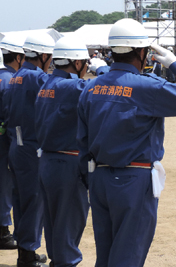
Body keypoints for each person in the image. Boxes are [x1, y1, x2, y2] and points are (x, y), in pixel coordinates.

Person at [77, 18, 176, 266]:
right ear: (142, 53)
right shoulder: (146, 87)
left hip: (99, 179)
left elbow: (82, 140)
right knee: (128, 255)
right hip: (133, 181)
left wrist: (89, 178)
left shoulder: (91, 88)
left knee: (106, 254)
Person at [34, 36, 108, 267]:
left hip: (47, 160)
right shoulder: (73, 86)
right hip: (67, 163)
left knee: (53, 220)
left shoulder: (45, 83)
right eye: (85, 64)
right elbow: (107, 85)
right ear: (77, 64)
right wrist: (103, 68)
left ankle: (58, 261)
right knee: (69, 221)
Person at [3, 33, 55, 266]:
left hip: (17, 143)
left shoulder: (16, 76)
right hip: (32, 147)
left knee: (21, 199)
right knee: (34, 201)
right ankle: (28, 253)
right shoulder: (37, 78)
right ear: (43, 56)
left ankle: (25, 250)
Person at [0, 35, 25, 251]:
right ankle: (3, 230)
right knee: (5, 186)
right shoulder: (11, 81)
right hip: (5, 141)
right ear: (18, 58)